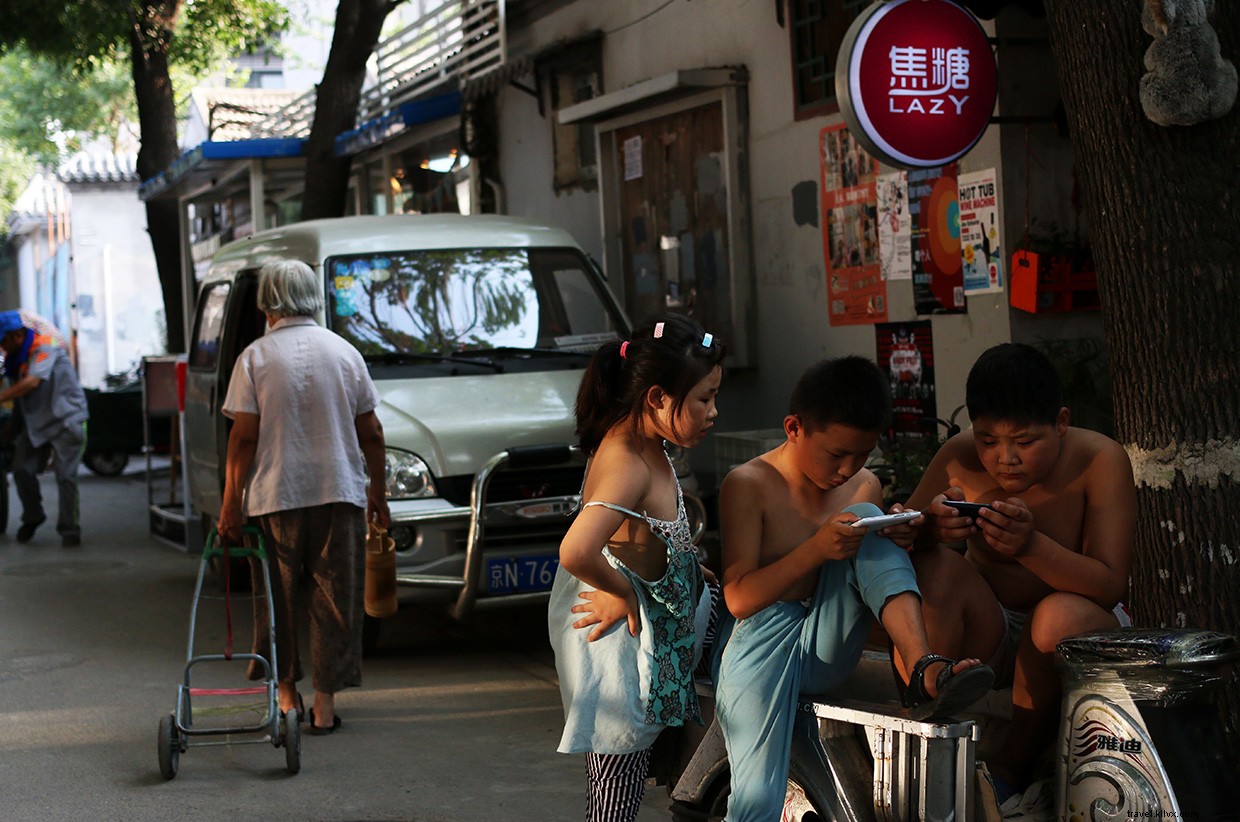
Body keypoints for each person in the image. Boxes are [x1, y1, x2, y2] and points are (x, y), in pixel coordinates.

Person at [713, 356, 993, 822]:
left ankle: (924, 666)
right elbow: (739, 598)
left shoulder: (865, 484)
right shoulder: (748, 484)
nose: (847, 469)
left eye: (862, 455)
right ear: (794, 428)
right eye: (836, 454)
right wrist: (818, 549)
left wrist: (903, 534)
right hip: (758, 644)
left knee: (867, 517)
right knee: (755, 804)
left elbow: (871, 579)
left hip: (827, 639)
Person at [903, 342, 1135, 807]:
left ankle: (1015, 761)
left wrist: (1032, 548)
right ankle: (931, 723)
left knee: (1055, 616)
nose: (1004, 457)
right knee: (938, 567)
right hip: (992, 626)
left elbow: (1111, 584)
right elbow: (902, 537)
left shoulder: (1099, 460)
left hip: (1075, 629)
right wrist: (930, 527)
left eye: (1024, 442)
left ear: (1062, 423)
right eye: (988, 440)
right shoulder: (958, 457)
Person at [549, 313, 725, 822]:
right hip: (617, 653)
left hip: (662, 627)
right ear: (657, 399)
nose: (714, 410)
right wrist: (622, 593)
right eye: (704, 398)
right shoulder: (628, 460)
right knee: (614, 801)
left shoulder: (649, 442)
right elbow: (575, 552)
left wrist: (688, 567)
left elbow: (644, 535)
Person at [217, 260, 390, 735]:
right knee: (335, 599)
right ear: (313, 295)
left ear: (266, 300)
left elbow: (242, 439)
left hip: (275, 496)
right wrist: (378, 491)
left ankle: (288, 697)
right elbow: (371, 432)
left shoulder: (254, 357)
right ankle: (325, 705)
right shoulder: (344, 352)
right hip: (339, 492)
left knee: (278, 598)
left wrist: (231, 502)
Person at [0, 310, 88, 546]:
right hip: (37, 424)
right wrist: (12, 429)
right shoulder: (14, 362)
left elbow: (32, 383)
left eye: (3, 341)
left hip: (65, 420)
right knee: (21, 469)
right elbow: (20, 399)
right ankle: (33, 515)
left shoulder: (45, 346)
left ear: (17, 335)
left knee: (66, 477)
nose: (2, 347)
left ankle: (70, 529)